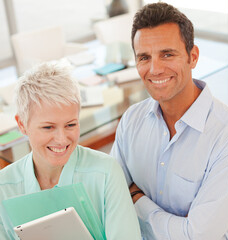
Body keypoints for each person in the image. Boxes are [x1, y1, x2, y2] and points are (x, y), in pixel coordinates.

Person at [110, 2, 228, 240]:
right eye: (144, 57)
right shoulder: (131, 120)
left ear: (193, 56)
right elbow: (112, 197)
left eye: (167, 54)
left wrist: (136, 199)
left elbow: (197, 236)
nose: (155, 69)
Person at [0, 61, 141, 240]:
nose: (61, 139)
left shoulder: (106, 173)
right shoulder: (3, 187)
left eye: (70, 125)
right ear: (22, 124)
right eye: (48, 127)